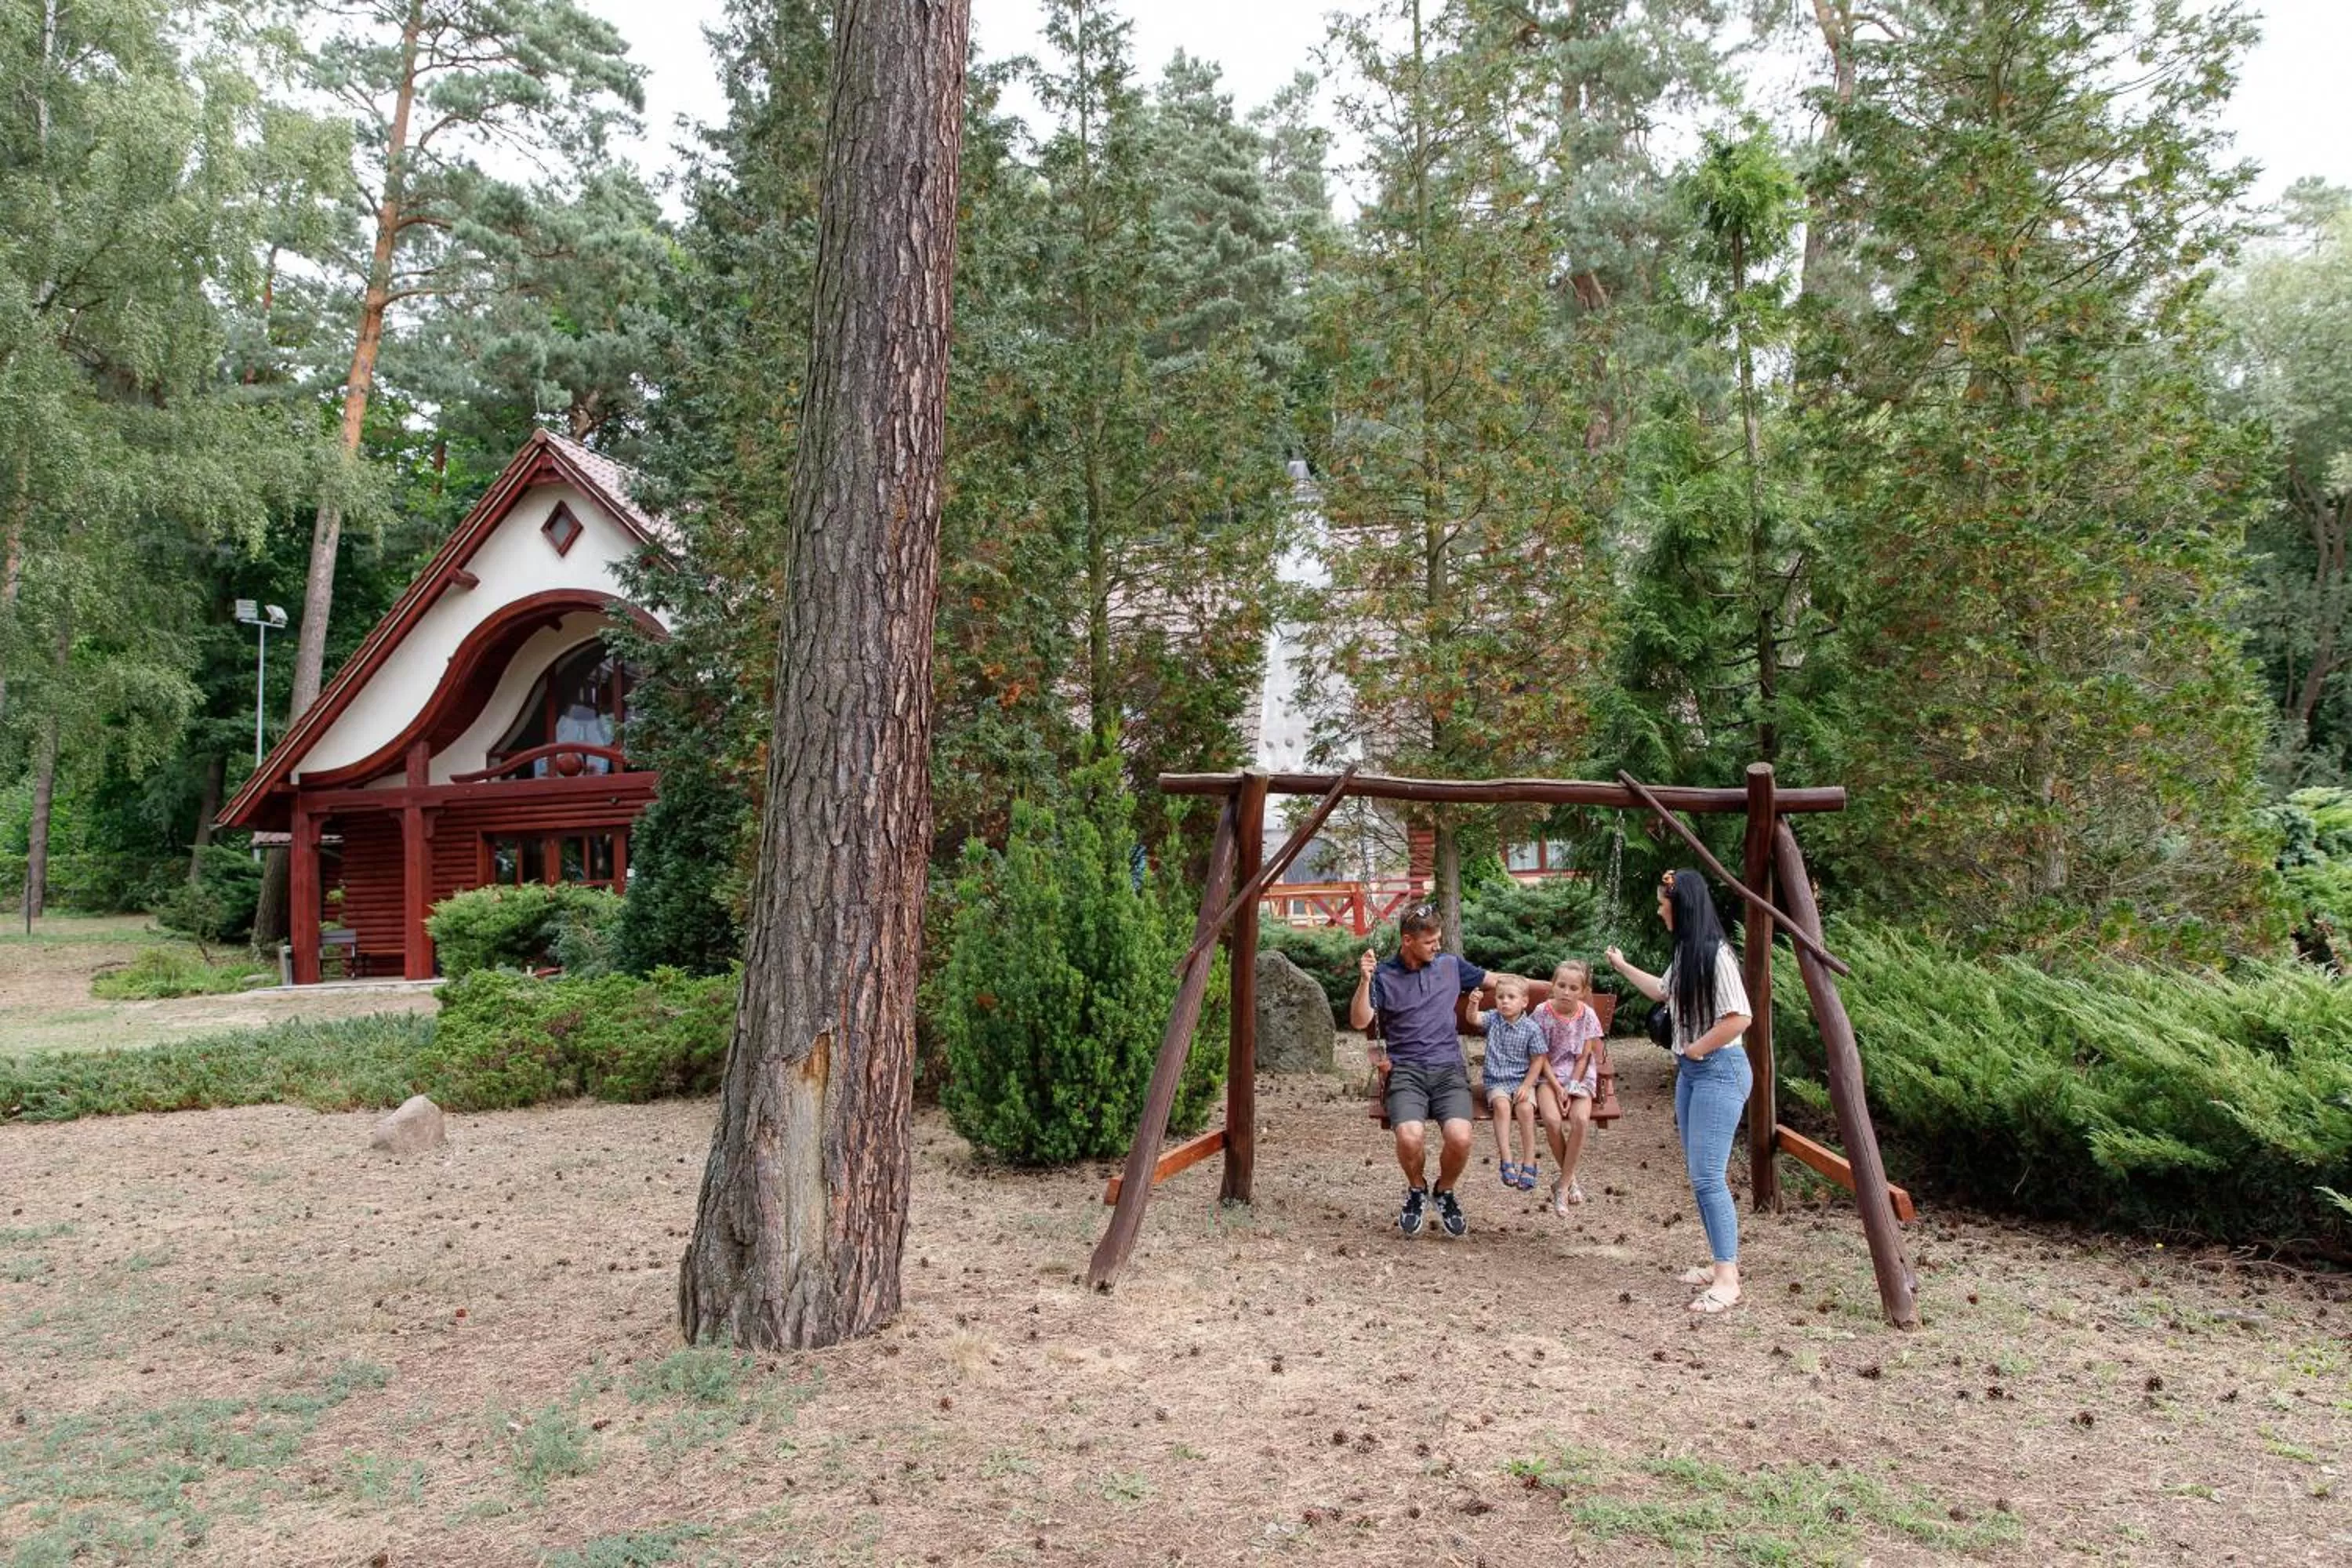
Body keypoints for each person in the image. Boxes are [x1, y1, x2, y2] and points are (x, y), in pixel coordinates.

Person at [1606, 869, 1753, 1315]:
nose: (1658, 909)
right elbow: (1662, 991)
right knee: (1700, 1176)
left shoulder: (1715, 955)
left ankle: (1728, 1279)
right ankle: (1718, 1263)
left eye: (1662, 902)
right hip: (1693, 1073)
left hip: (1719, 1070)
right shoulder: (1688, 951)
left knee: (1709, 1176)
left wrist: (1696, 1047)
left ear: (1681, 905)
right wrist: (1622, 965)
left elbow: (1738, 1017)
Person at [1351, 904, 1486, 1238]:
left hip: (1448, 1071)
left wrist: (1558, 986)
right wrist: (1365, 981)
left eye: (1439, 939)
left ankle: (1444, 1191)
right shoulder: (1383, 975)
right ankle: (1416, 1190)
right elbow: (1358, 1020)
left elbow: (1500, 981)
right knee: (1410, 1137)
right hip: (1406, 1072)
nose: (1438, 947)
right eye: (1431, 942)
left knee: (1461, 1137)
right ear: (1407, 940)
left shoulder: (1451, 966)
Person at [1534, 959, 1605, 1214]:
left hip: (1579, 1075)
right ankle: (1570, 1180)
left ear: (1583, 991)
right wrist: (1557, 1087)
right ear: (1553, 986)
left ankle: (1562, 1185)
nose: (1567, 992)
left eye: (1574, 988)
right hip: (1548, 1074)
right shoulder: (1542, 1012)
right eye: (1561, 985)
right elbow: (1539, 1056)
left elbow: (1584, 1057)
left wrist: (1573, 1085)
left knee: (1580, 1121)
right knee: (1552, 1121)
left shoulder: (1587, 1015)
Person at [1467, 974, 1548, 1192]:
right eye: (1501, 997)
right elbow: (1473, 1019)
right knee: (1502, 1107)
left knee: (1525, 1110)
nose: (1505, 1001)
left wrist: (1527, 1086)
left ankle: (1529, 1161)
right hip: (1497, 1082)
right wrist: (1473, 1004)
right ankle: (1506, 1159)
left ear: (1524, 1002)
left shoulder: (1531, 1028)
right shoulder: (1494, 1018)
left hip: (1523, 1081)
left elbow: (1538, 1060)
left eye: (1511, 997)